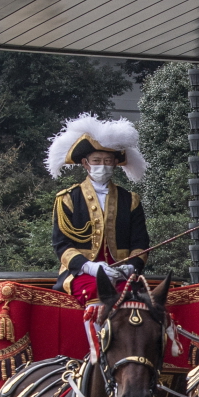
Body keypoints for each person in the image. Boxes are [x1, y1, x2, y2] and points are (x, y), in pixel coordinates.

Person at [44, 114, 151, 302]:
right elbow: (62, 245)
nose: (103, 165)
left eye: (108, 161)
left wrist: (130, 267)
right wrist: (90, 267)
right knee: (98, 293)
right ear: (86, 163)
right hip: (80, 274)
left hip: (121, 274)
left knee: (136, 299)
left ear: (115, 164)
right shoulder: (68, 199)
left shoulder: (130, 200)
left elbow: (140, 244)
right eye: (96, 160)